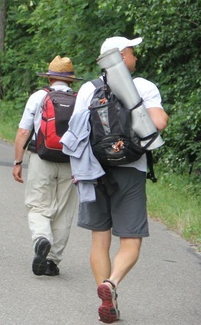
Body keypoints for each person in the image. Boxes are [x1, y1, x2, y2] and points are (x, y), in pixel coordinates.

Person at [67, 36, 168, 323]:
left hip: (94, 170)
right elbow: (158, 124)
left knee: (99, 241)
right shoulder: (144, 87)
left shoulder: (88, 89)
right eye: (132, 52)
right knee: (131, 241)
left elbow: (77, 133)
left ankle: (107, 298)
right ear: (122, 56)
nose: (135, 57)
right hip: (130, 168)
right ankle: (111, 284)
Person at [12, 56, 81, 277]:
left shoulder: (39, 97)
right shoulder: (81, 100)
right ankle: (52, 262)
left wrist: (18, 161)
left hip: (41, 159)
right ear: (71, 80)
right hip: (71, 162)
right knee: (63, 212)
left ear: (50, 77)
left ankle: (42, 238)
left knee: (37, 206)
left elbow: (24, 131)